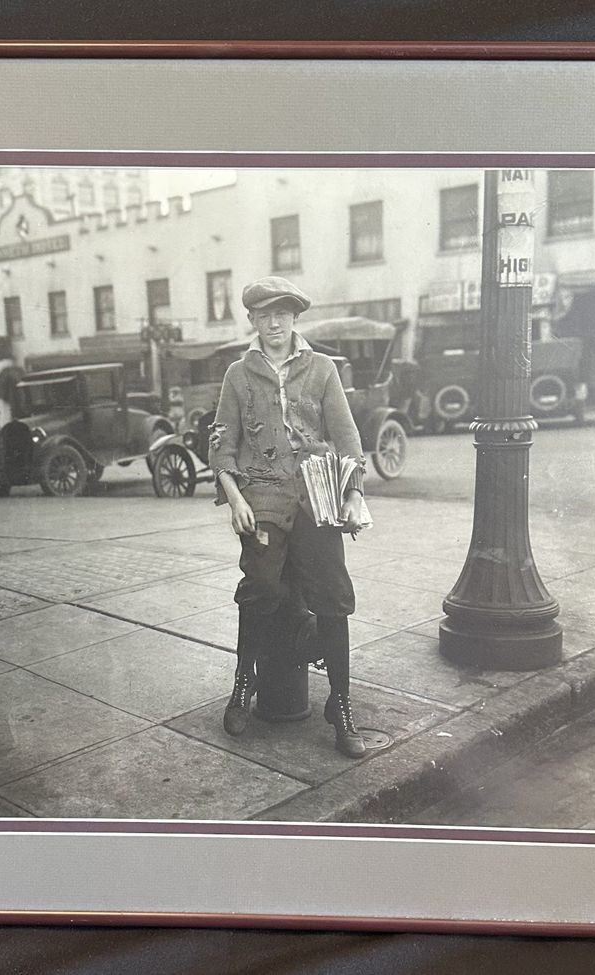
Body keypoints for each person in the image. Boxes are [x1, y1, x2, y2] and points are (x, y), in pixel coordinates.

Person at [208, 276, 368, 758]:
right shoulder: (238, 374)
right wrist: (235, 497)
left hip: (316, 500)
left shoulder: (321, 369)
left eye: (282, 313)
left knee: (334, 598)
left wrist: (353, 493)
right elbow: (222, 442)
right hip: (261, 501)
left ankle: (339, 703)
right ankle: (244, 683)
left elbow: (347, 437)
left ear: (295, 318)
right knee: (260, 587)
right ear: (252, 320)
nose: (273, 322)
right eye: (263, 314)